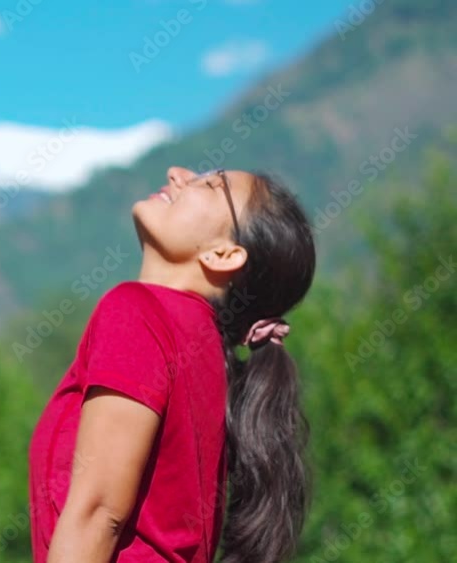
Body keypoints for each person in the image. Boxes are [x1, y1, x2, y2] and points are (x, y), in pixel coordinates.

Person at [29, 166, 316, 563]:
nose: (177, 173)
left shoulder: (138, 311)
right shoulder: (210, 355)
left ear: (224, 253)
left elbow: (99, 512)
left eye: (211, 185)